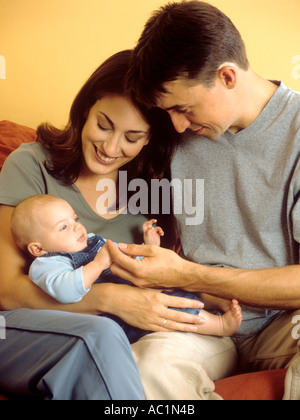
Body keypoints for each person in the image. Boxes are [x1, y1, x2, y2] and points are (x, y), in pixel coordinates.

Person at [107, 1, 300, 400]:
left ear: (227, 76)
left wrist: (186, 274)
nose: (177, 125)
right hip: (203, 318)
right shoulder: (177, 129)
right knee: (145, 367)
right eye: (168, 111)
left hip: (285, 321)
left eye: (183, 108)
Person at [0, 50, 203, 400]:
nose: (110, 147)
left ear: (149, 138)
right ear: (85, 110)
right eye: (104, 125)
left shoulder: (154, 193)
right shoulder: (31, 164)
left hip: (123, 338)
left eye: (131, 137)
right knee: (101, 335)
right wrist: (109, 299)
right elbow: (6, 290)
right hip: (20, 331)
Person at [10, 194, 242, 343]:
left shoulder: (89, 240)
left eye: (75, 219)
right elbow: (66, 291)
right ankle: (219, 326)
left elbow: (125, 260)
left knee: (175, 286)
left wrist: (147, 246)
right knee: (176, 309)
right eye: (63, 227)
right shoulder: (47, 265)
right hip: (121, 318)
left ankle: (214, 301)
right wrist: (98, 264)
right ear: (37, 249)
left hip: (136, 288)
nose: (76, 227)